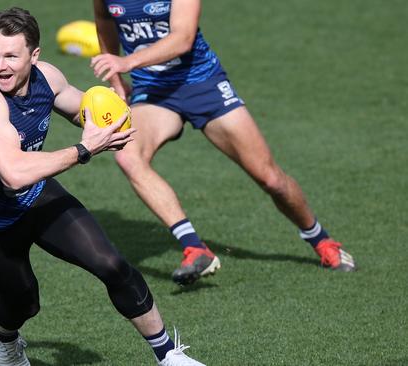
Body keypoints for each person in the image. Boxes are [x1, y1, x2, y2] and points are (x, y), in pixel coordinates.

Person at [0, 7, 205, 366]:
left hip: (36, 197)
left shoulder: (47, 78)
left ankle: (169, 356)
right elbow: (12, 173)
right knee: (25, 301)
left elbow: (81, 108)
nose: (0, 65)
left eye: (11, 55)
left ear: (33, 56)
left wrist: (111, 118)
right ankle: (1, 332)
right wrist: (85, 149)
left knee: (112, 264)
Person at [90, 0, 356, 286]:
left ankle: (322, 241)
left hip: (203, 84)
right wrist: (118, 83)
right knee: (128, 156)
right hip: (153, 92)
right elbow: (105, 24)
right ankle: (195, 248)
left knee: (270, 179)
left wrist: (126, 62)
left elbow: (183, 38)